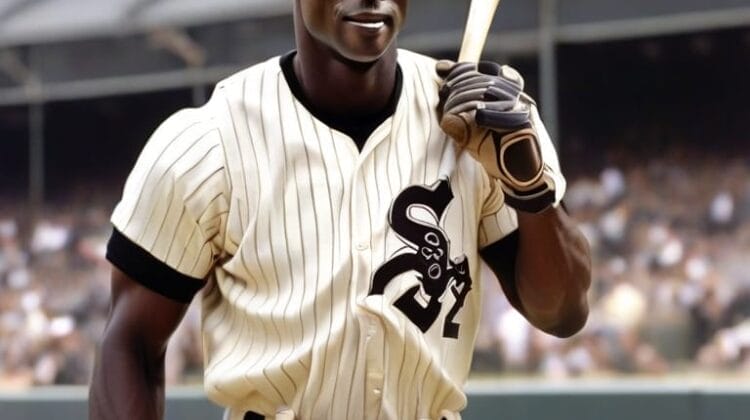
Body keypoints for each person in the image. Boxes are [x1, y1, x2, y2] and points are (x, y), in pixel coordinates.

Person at [89, 1, 591, 419]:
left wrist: (529, 188)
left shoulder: (480, 117)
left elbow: (563, 312)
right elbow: (129, 343)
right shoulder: (210, 140)